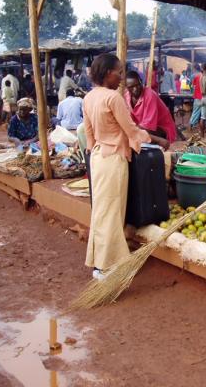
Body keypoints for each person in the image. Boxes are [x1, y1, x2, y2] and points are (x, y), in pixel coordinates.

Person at [83, 53, 153, 279]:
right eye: (119, 73)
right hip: (114, 160)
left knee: (102, 212)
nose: (121, 78)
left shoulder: (89, 98)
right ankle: (108, 266)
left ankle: (99, 263)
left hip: (98, 158)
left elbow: (89, 135)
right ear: (107, 74)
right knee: (112, 213)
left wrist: (96, 148)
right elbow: (130, 129)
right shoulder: (113, 98)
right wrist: (150, 139)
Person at [124, 70, 175, 146]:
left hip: (161, 129)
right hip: (141, 128)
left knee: (133, 135)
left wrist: (130, 130)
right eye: (131, 87)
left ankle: (160, 141)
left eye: (137, 85)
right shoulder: (126, 95)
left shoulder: (150, 95)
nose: (135, 89)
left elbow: (148, 126)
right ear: (127, 87)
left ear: (141, 81)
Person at [189, 65, 203, 131]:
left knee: (196, 111)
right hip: (203, 96)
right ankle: (195, 125)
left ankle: (192, 124)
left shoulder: (194, 76)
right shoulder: (203, 76)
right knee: (202, 112)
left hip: (197, 96)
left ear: (194, 68)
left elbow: (192, 86)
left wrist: (192, 93)